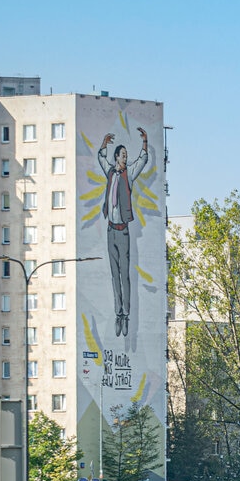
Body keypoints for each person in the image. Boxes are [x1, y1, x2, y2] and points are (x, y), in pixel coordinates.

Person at [97, 128, 150, 337]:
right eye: (123, 155)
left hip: (123, 232)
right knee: (114, 275)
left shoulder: (128, 176)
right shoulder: (111, 172)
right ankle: (118, 313)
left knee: (124, 275)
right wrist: (104, 142)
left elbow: (142, 161)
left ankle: (126, 315)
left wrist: (145, 142)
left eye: (127, 156)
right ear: (117, 157)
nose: (126, 159)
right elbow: (100, 158)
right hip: (111, 231)